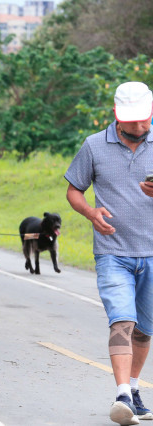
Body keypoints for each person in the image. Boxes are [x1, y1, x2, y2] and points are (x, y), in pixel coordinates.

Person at [65, 81, 153, 426]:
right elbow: (74, 191)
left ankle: (133, 391)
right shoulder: (94, 146)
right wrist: (91, 212)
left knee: (145, 330)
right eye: (132, 120)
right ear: (117, 115)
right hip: (112, 252)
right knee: (122, 321)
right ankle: (120, 394)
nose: (140, 126)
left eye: (145, 119)